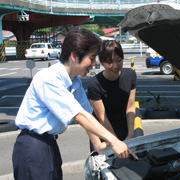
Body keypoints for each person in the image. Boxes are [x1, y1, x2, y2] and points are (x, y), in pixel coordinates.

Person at [12, 28, 137, 180]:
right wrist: (114, 141)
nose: (93, 64)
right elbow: (80, 116)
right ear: (74, 56)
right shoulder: (48, 79)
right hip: (33, 146)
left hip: (50, 144)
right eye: (91, 58)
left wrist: (97, 144)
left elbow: (87, 114)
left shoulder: (74, 81)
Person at [87, 40, 137, 152]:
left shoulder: (130, 75)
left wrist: (130, 134)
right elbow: (102, 117)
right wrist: (115, 141)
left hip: (124, 129)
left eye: (118, 60)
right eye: (109, 62)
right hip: (103, 135)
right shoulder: (94, 85)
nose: (115, 66)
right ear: (101, 61)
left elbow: (130, 106)